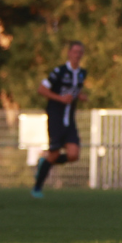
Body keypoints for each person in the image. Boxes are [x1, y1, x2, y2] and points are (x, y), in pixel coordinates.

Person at [32, 41, 88, 198]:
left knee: (73, 155)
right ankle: (37, 188)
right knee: (54, 154)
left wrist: (80, 96)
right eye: (75, 51)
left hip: (69, 120)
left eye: (80, 52)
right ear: (69, 53)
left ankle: (45, 163)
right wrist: (60, 99)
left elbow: (74, 92)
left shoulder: (82, 73)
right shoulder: (59, 71)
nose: (77, 55)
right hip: (56, 118)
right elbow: (41, 89)